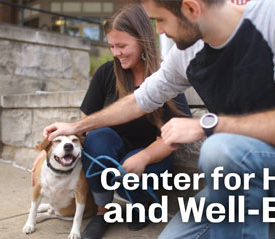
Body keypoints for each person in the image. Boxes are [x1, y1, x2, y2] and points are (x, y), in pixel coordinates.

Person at [43, 0, 275, 239]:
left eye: (160, 20)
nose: (157, 31)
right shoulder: (188, 52)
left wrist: (206, 125)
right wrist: (76, 127)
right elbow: (138, 101)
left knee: (219, 148)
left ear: (191, 8)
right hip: (232, 180)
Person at [78, 5, 190, 239]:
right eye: (111, 46)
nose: (115, 53)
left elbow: (174, 137)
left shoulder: (165, 75)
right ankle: (102, 211)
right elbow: (85, 123)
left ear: (142, 40)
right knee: (97, 137)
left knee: (132, 164)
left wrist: (144, 157)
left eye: (122, 46)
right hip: (112, 155)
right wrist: (49, 150)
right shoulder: (106, 73)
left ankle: (142, 204)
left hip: (151, 159)